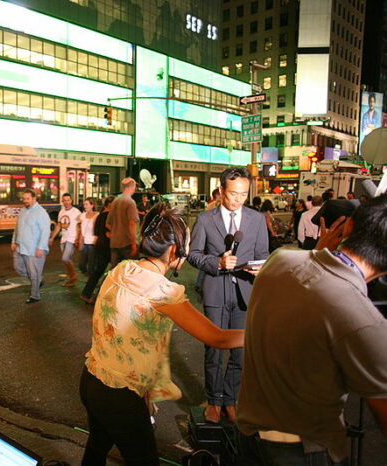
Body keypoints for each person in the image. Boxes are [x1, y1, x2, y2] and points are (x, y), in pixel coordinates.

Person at [79, 207, 244, 465]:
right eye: (187, 244)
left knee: (97, 448)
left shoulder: (123, 269)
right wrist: (264, 331)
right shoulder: (163, 291)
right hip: (120, 395)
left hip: (91, 379)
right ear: (173, 250)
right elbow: (218, 338)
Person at [237, 195, 387, 465]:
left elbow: (310, 275)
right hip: (304, 451)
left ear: (348, 228)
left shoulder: (279, 261)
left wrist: (321, 251)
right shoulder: (363, 319)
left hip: (250, 436)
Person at [187, 167, 269, 423]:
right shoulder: (204, 219)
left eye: (244, 195)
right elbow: (194, 254)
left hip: (246, 292)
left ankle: (230, 399)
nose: (238, 199)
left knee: (241, 352)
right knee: (213, 350)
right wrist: (218, 263)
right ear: (222, 191)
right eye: (233, 194)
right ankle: (213, 400)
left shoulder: (256, 219)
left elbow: (264, 254)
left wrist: (261, 268)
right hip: (215, 291)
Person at [12, 189, 51, 304]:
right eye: (24, 199)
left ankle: (35, 295)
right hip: (21, 246)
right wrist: (14, 240)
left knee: (34, 274)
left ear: (34, 198)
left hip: (34, 249)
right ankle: (39, 280)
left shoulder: (41, 212)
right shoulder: (23, 211)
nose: (25, 201)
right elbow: (17, 227)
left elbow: (45, 231)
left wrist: (41, 247)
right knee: (18, 267)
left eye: (27, 199)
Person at [80, 196, 114, 304]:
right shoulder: (110, 216)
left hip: (99, 245)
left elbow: (96, 232)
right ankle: (102, 296)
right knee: (112, 271)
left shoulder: (100, 215)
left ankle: (87, 293)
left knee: (98, 271)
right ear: (110, 204)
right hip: (108, 247)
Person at [49, 193, 81, 287]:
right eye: (64, 200)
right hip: (63, 239)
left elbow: (79, 226)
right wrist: (52, 238)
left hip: (72, 238)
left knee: (65, 258)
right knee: (66, 260)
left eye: (68, 200)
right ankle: (72, 278)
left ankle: (74, 276)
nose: (66, 202)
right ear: (62, 201)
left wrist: (78, 238)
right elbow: (59, 226)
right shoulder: (61, 212)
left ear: (71, 201)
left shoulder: (76, 212)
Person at [107, 178, 139, 266]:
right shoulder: (130, 202)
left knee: (114, 270)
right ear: (132, 187)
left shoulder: (115, 202)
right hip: (127, 243)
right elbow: (132, 224)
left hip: (115, 242)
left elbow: (108, 224)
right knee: (131, 270)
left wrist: (116, 232)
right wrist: (133, 243)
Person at [76, 197, 99, 276]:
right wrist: (79, 240)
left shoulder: (97, 215)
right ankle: (88, 275)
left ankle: (91, 279)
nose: (85, 206)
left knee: (91, 264)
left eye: (86, 204)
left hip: (93, 242)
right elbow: (79, 228)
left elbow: (98, 229)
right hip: (85, 242)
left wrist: (97, 240)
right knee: (81, 264)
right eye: (84, 204)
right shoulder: (82, 216)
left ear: (92, 205)